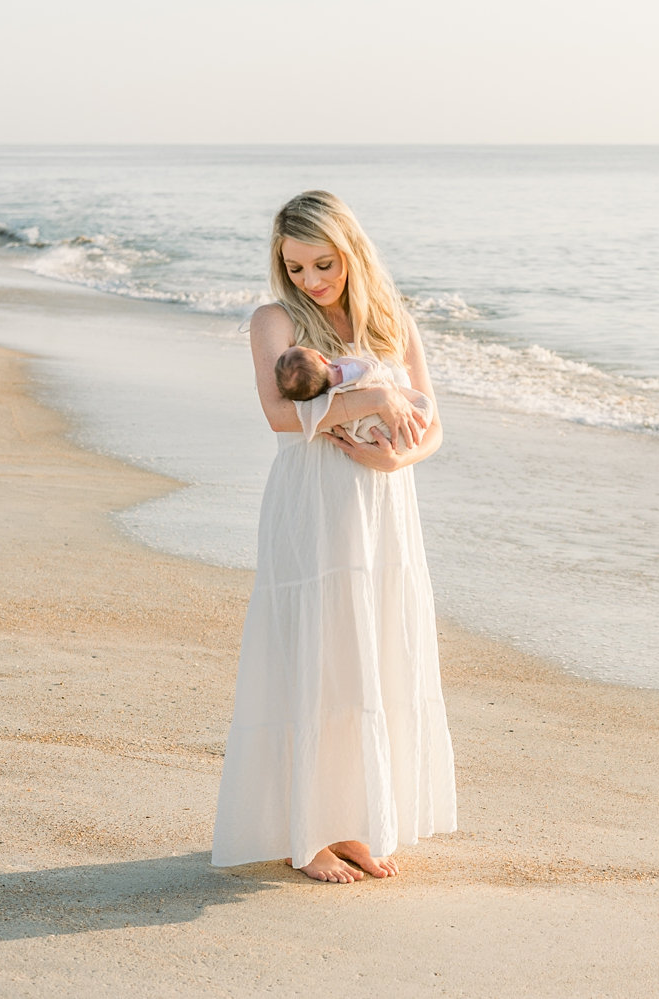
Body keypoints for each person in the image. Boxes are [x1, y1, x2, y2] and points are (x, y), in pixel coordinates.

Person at [210, 190, 457, 883]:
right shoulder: (274, 321)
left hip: (382, 506)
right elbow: (278, 416)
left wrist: (397, 455)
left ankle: (350, 822)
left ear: (350, 251)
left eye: (323, 264)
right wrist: (373, 399)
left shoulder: (391, 321)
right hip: (312, 507)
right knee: (314, 653)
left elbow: (433, 423)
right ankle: (306, 833)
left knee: (368, 655)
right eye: (295, 268)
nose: (311, 281)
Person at [273, 344, 433, 447]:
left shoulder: (325, 403)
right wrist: (382, 393)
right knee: (423, 404)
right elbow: (377, 372)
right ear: (321, 357)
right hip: (404, 433)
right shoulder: (352, 369)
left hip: (379, 440)